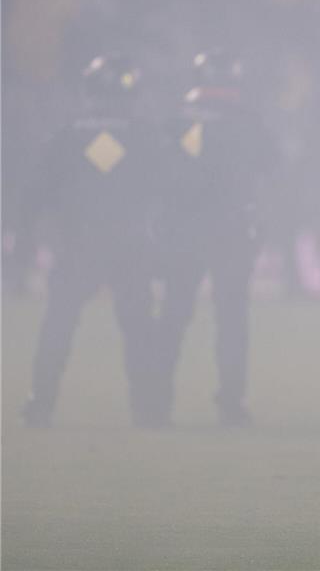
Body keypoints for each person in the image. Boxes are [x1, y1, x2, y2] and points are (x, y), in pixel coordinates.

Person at [18, 54, 161, 427]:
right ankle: (147, 408)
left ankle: (40, 403)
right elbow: (166, 190)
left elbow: (36, 194)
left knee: (58, 324)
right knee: (138, 328)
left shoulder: (65, 136)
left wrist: (28, 243)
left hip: (76, 244)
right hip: (129, 245)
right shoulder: (146, 135)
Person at [153, 49, 277, 427]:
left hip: (183, 233)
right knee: (232, 321)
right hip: (231, 232)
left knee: (173, 316)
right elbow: (273, 170)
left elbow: (156, 175)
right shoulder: (248, 122)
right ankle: (230, 404)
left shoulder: (176, 121)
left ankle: (155, 403)